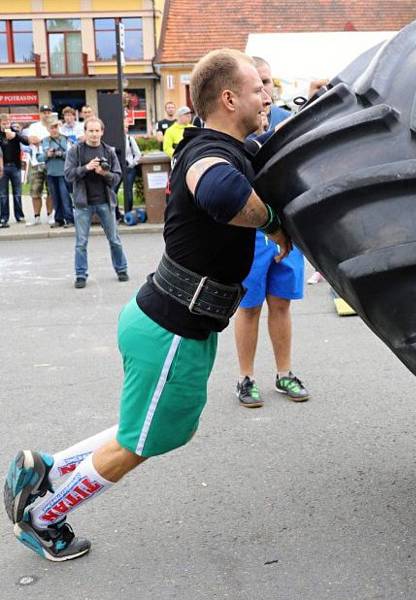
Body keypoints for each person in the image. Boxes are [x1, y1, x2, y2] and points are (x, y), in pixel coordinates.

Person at [3, 48, 288, 562]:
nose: (267, 96)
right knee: (142, 442)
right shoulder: (209, 155)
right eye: (257, 88)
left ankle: (46, 466)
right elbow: (221, 194)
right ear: (228, 98)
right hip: (171, 331)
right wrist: (271, 220)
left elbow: (266, 152)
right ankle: (43, 518)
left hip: (174, 326)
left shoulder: (229, 146)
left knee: (156, 427)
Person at [234, 55, 309, 407]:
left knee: (281, 304)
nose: (265, 89)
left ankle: (284, 374)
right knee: (248, 307)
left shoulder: (285, 120)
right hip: (251, 232)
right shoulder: (233, 126)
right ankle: (245, 379)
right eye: (257, 82)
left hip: (287, 228)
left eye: (268, 81)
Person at [64, 117, 129, 288]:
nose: (93, 134)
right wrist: (86, 168)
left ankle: (121, 269)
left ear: (102, 132)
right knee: (81, 242)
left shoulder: (109, 151)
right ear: (85, 132)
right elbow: (69, 175)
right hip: (82, 203)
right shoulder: (75, 151)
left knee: (114, 239)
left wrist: (103, 173)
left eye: (96, 131)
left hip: (105, 202)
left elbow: (116, 178)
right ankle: (80, 275)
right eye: (90, 131)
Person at [40, 119, 74, 228]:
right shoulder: (45, 141)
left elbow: (71, 154)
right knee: (55, 197)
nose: (54, 130)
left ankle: (69, 219)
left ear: (58, 128)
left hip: (63, 173)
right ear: (48, 129)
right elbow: (39, 157)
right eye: (51, 128)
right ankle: (59, 219)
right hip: (51, 173)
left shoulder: (65, 139)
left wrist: (60, 154)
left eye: (55, 127)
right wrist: (47, 155)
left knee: (65, 196)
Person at [0, 113, 30, 227]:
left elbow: (26, 141)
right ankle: (3, 217)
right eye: (3, 123)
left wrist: (15, 135)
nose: (6, 125)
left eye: (7, 123)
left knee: (17, 193)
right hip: (3, 167)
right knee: (3, 194)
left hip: (15, 166)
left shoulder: (15, 131)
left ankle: (19, 216)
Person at [24, 110, 53, 225]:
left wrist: (40, 140)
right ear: (40, 114)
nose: (46, 114)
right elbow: (32, 140)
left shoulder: (54, 125)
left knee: (51, 191)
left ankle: (50, 215)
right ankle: (36, 217)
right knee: (35, 192)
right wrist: (45, 140)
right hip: (36, 163)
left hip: (51, 163)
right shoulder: (34, 126)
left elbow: (54, 140)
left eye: (48, 112)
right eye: (44, 112)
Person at [119, 122, 142, 206]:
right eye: (124, 127)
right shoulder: (113, 139)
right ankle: (117, 213)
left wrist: (131, 164)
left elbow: (138, 154)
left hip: (129, 169)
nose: (126, 129)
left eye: (127, 127)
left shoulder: (129, 139)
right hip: (117, 169)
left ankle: (129, 213)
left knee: (128, 191)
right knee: (113, 191)